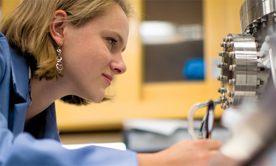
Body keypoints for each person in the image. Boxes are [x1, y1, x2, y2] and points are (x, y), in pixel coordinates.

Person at [0, 0, 222, 165]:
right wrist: (154, 162)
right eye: (111, 41)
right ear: (59, 28)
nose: (122, 66)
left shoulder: (41, 123)